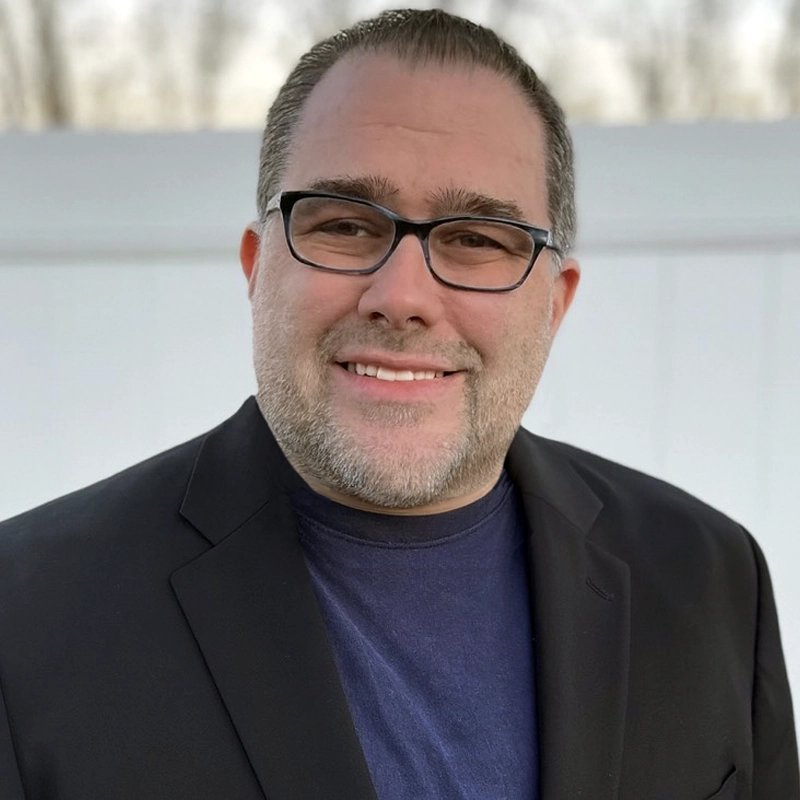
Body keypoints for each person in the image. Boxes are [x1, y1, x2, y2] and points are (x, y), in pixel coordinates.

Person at [0, 8, 797, 800]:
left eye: (478, 237)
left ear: (556, 304)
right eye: (345, 224)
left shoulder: (709, 577)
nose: (402, 296)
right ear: (256, 266)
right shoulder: (27, 617)